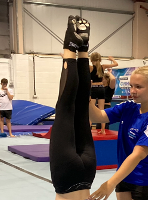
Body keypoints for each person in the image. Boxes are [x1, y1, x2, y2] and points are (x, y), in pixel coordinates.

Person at [88, 66, 148, 200]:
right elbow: (97, 116)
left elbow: (137, 155)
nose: (133, 91)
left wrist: (110, 183)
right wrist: (86, 96)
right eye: (131, 86)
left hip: (144, 179)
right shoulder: (129, 106)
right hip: (124, 174)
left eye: (138, 87)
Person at [49, 15, 96, 200]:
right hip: (66, 174)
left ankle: (83, 50)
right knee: (65, 109)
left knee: (81, 109)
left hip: (88, 172)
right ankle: (70, 47)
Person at [90, 53, 118, 134]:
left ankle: (88, 129)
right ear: (100, 59)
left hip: (94, 89)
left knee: (91, 110)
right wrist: (112, 59)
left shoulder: (91, 67)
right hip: (101, 89)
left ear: (91, 60)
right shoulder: (103, 66)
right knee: (102, 110)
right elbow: (116, 64)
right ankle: (103, 130)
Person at [96, 68, 116, 132]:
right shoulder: (100, 87)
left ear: (107, 80)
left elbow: (113, 79)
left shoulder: (110, 88)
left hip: (106, 107)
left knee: (104, 127)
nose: (102, 80)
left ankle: (104, 140)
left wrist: (109, 73)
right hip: (99, 107)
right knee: (98, 127)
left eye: (103, 79)